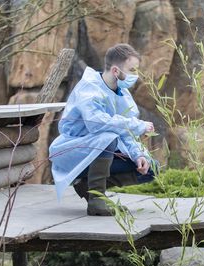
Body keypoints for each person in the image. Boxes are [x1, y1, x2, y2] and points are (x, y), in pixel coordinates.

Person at [49, 44, 156, 216]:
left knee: (150, 167)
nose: (135, 75)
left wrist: (139, 155)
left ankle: (89, 188)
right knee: (108, 137)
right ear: (115, 71)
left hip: (98, 152)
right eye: (132, 70)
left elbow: (125, 132)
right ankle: (97, 202)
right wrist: (137, 125)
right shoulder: (89, 88)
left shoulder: (122, 93)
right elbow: (97, 124)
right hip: (71, 152)